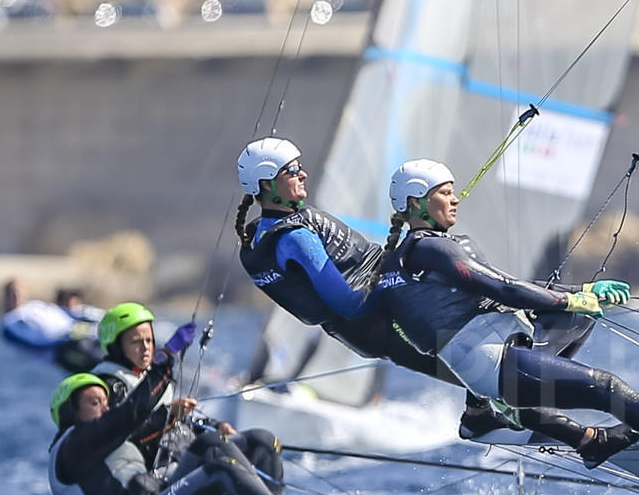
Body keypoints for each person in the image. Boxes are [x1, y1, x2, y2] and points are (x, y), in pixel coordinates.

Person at [376, 159, 639, 467]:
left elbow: (498, 293)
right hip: (492, 363)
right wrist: (571, 298)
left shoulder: (402, 261)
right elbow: (502, 287)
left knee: (581, 316)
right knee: (607, 389)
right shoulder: (431, 248)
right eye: (445, 192)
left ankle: (548, 427)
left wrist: (582, 296)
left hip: (495, 354)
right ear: (417, 202)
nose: (456, 198)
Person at [233, 137, 610, 449]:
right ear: (267, 183)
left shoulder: (264, 233)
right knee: (495, 376)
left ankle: (489, 416)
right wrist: (401, 274)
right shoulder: (294, 236)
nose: (302, 174)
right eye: (292, 170)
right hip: (381, 323)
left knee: (497, 372)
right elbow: (349, 302)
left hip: (378, 320)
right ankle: (585, 438)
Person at [47, 328, 348, 495]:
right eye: (93, 403)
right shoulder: (72, 449)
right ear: (69, 412)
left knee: (233, 444)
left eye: (105, 401)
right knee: (217, 467)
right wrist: (166, 358)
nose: (104, 408)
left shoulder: (98, 447)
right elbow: (130, 416)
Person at [91, 301, 283, 483]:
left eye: (149, 340)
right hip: (158, 472)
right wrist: (170, 414)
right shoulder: (110, 385)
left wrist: (214, 426)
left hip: (182, 454)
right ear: (116, 345)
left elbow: (181, 422)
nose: (146, 348)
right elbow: (128, 435)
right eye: (136, 342)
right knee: (219, 457)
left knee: (263, 442)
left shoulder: (148, 376)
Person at [0, 279, 104, 372]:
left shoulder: (36, 305)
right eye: (12, 293)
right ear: (5, 297)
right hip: (64, 350)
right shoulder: (10, 322)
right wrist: (65, 337)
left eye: (19, 292)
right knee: (103, 362)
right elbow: (35, 343)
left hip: (84, 334)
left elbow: (67, 313)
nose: (17, 296)